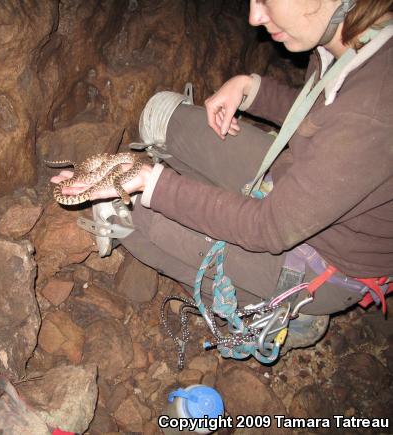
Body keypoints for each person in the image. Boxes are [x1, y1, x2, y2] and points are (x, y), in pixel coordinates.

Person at [51, 0, 393, 353]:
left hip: (322, 258)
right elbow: (323, 113)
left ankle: (288, 308)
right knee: (163, 118)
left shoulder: (376, 111)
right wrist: (252, 89)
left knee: (130, 210)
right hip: (301, 186)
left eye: (266, 0)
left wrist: (152, 182)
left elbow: (267, 228)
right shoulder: (348, 40)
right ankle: (175, 190)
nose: (254, 17)